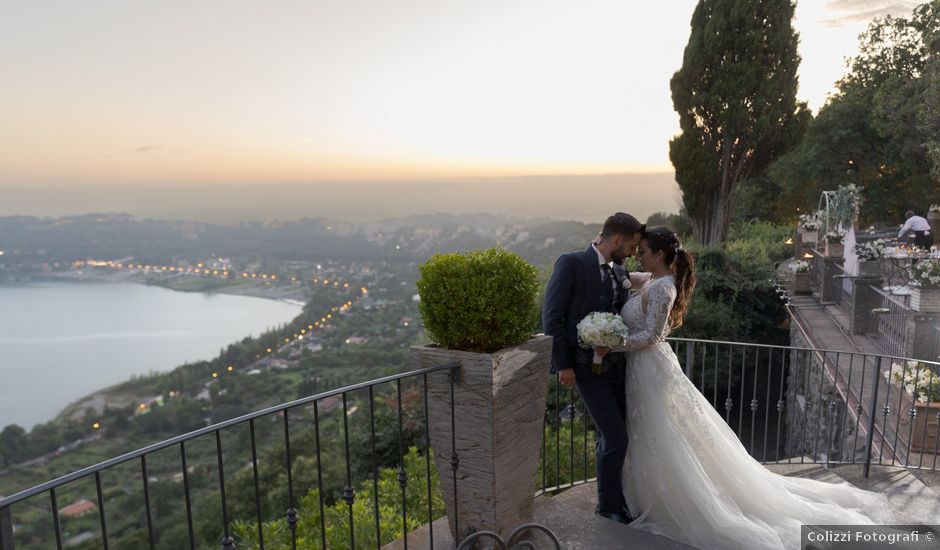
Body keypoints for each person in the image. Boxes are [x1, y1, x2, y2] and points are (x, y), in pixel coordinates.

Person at [595, 227, 888, 550]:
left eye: (644, 252)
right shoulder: (650, 279)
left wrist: (613, 345)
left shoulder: (664, 288)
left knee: (664, 434)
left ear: (660, 256)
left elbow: (652, 336)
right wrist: (602, 251)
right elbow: (621, 274)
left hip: (650, 367)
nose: (639, 255)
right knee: (649, 433)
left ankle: (680, 498)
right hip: (641, 371)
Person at [542, 212, 644, 524]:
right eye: (630, 247)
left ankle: (614, 501)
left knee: (611, 435)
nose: (631, 253)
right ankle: (607, 508)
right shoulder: (571, 263)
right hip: (584, 369)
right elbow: (552, 316)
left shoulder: (619, 270)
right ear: (616, 240)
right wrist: (563, 365)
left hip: (616, 367)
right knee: (616, 438)